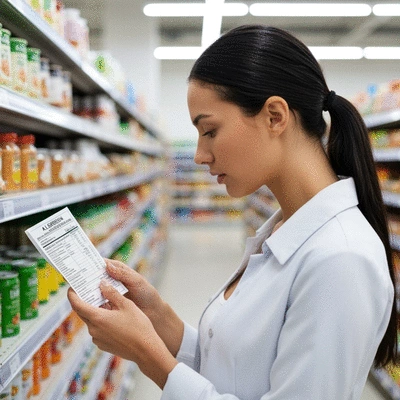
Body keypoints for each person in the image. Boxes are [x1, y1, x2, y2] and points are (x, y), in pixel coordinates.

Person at [68, 25, 398, 399]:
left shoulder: (340, 259)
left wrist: (149, 356)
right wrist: (157, 317)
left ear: (275, 116)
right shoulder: (282, 229)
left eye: (209, 131)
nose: (199, 155)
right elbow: (236, 367)